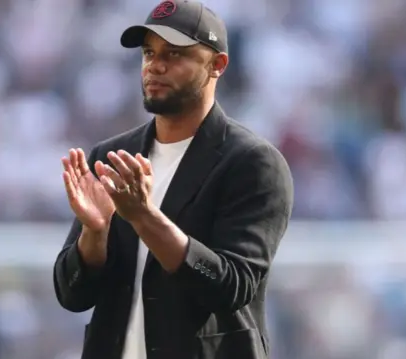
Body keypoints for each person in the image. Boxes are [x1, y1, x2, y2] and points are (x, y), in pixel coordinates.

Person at [53, 1, 294, 358]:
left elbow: (231, 287)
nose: (156, 65)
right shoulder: (111, 156)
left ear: (218, 65)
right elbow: (73, 296)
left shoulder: (253, 163)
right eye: (149, 52)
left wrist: (144, 217)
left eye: (175, 54)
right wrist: (95, 233)